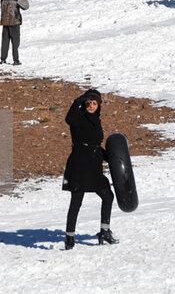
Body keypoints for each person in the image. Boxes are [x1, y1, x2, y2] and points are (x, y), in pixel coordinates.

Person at [62, 89, 117, 250]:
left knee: (107, 195)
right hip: (79, 163)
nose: (91, 106)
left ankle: (104, 231)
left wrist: (111, 157)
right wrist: (78, 100)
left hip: (94, 164)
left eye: (94, 103)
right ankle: (69, 238)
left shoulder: (96, 120)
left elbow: (95, 143)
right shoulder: (78, 117)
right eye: (88, 103)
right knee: (76, 201)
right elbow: (68, 118)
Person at [0, 0, 29, 65]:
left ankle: (3, 59)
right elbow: (26, 6)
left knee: (5, 42)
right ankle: (16, 60)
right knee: (15, 42)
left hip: (5, 22)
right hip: (14, 22)